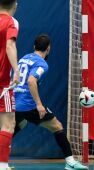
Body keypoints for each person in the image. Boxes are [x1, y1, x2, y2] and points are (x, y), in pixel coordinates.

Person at [13, 34, 88, 170]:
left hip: (15, 101)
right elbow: (31, 81)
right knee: (57, 126)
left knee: (20, 124)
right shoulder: (42, 64)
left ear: (34, 46)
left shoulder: (24, 59)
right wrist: (39, 105)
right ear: (48, 48)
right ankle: (70, 162)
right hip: (28, 104)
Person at [0, 0, 19, 169]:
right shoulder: (11, 22)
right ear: (15, 5)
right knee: (8, 123)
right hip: (2, 82)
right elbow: (9, 44)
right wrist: (17, 71)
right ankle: (2, 165)